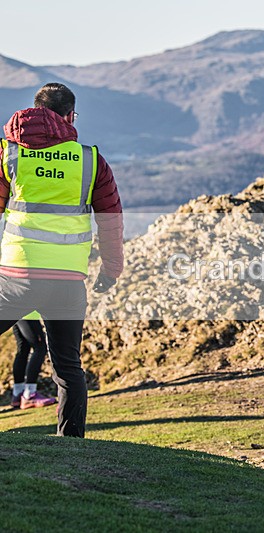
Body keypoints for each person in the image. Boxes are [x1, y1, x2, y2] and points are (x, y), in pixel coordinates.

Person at [0, 82, 124, 437]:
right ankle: (72, 445)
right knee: (68, 367)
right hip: (68, 281)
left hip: (16, 275)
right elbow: (111, 220)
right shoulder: (90, 160)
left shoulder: (9, 154)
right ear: (70, 116)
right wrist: (111, 270)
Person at [9, 311, 57, 409]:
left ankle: (18, 393)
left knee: (23, 349)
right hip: (28, 312)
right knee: (40, 348)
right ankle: (29, 395)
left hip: (15, 311)